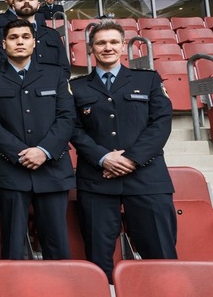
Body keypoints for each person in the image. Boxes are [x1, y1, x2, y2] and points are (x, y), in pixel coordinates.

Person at [70, 20, 177, 282]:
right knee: (98, 259)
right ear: (91, 48)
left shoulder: (148, 80)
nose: (107, 47)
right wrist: (103, 158)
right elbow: (73, 129)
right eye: (101, 43)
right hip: (97, 181)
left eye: (113, 42)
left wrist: (131, 159)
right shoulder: (77, 87)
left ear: (123, 46)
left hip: (147, 179)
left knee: (160, 253)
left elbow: (161, 124)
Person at [0, 19, 75, 261]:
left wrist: (43, 150)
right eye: (13, 37)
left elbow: (66, 117)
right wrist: (19, 153)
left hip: (51, 169)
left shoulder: (55, 75)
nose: (19, 41)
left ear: (34, 42)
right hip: (9, 170)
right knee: (12, 244)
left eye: (25, 37)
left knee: (56, 242)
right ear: (3, 44)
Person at [7, 0, 71, 79]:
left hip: (50, 84)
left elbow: (64, 68)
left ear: (38, 5)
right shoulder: (3, 34)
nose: (26, 2)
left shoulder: (53, 34)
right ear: (13, 6)